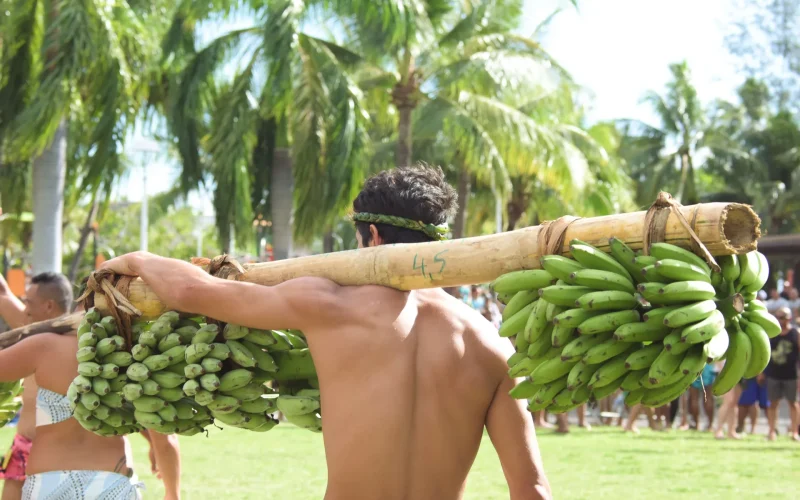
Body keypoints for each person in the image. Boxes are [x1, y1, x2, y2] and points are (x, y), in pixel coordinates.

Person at [103, 164, 552, 499]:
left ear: (370, 236)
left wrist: (136, 260)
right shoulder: (490, 342)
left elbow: (189, 291)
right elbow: (531, 488)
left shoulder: (329, 304)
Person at [0, 272, 74, 500]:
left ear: (48, 306)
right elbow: (1, 292)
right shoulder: (28, 327)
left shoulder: (83, 345)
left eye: (28, 302)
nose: (24, 309)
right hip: (23, 448)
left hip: (62, 457)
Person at [764, 307, 799, 441]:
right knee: (773, 404)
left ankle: (795, 432)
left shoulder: (796, 333)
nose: (779, 319)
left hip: (791, 375)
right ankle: (772, 431)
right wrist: (762, 372)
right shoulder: (772, 334)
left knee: (793, 404)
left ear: (789, 318)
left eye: (782, 316)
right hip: (774, 374)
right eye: (777, 316)